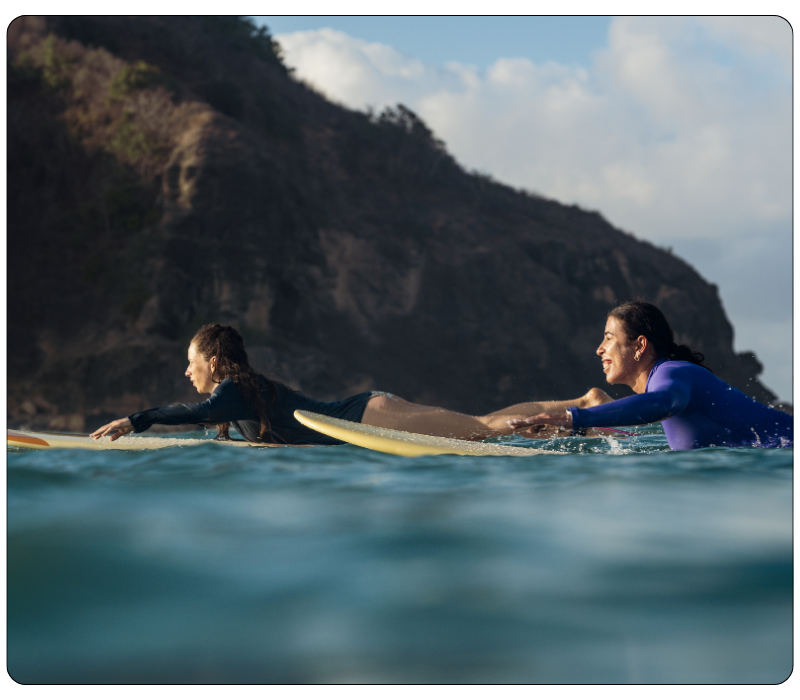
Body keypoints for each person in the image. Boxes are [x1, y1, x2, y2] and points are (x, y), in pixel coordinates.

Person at [90, 323, 613, 445]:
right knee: (480, 420)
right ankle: (580, 401)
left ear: (210, 358)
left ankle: (579, 409)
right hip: (367, 415)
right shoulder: (239, 395)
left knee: (480, 429)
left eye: (190, 361)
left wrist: (138, 420)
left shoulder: (230, 390)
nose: (188, 371)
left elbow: (194, 412)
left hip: (367, 416)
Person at [508, 301, 794, 450]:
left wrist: (570, 420)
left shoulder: (672, 374)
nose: (599, 349)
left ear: (640, 346)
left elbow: (663, 403)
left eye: (608, 338)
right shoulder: (667, 376)